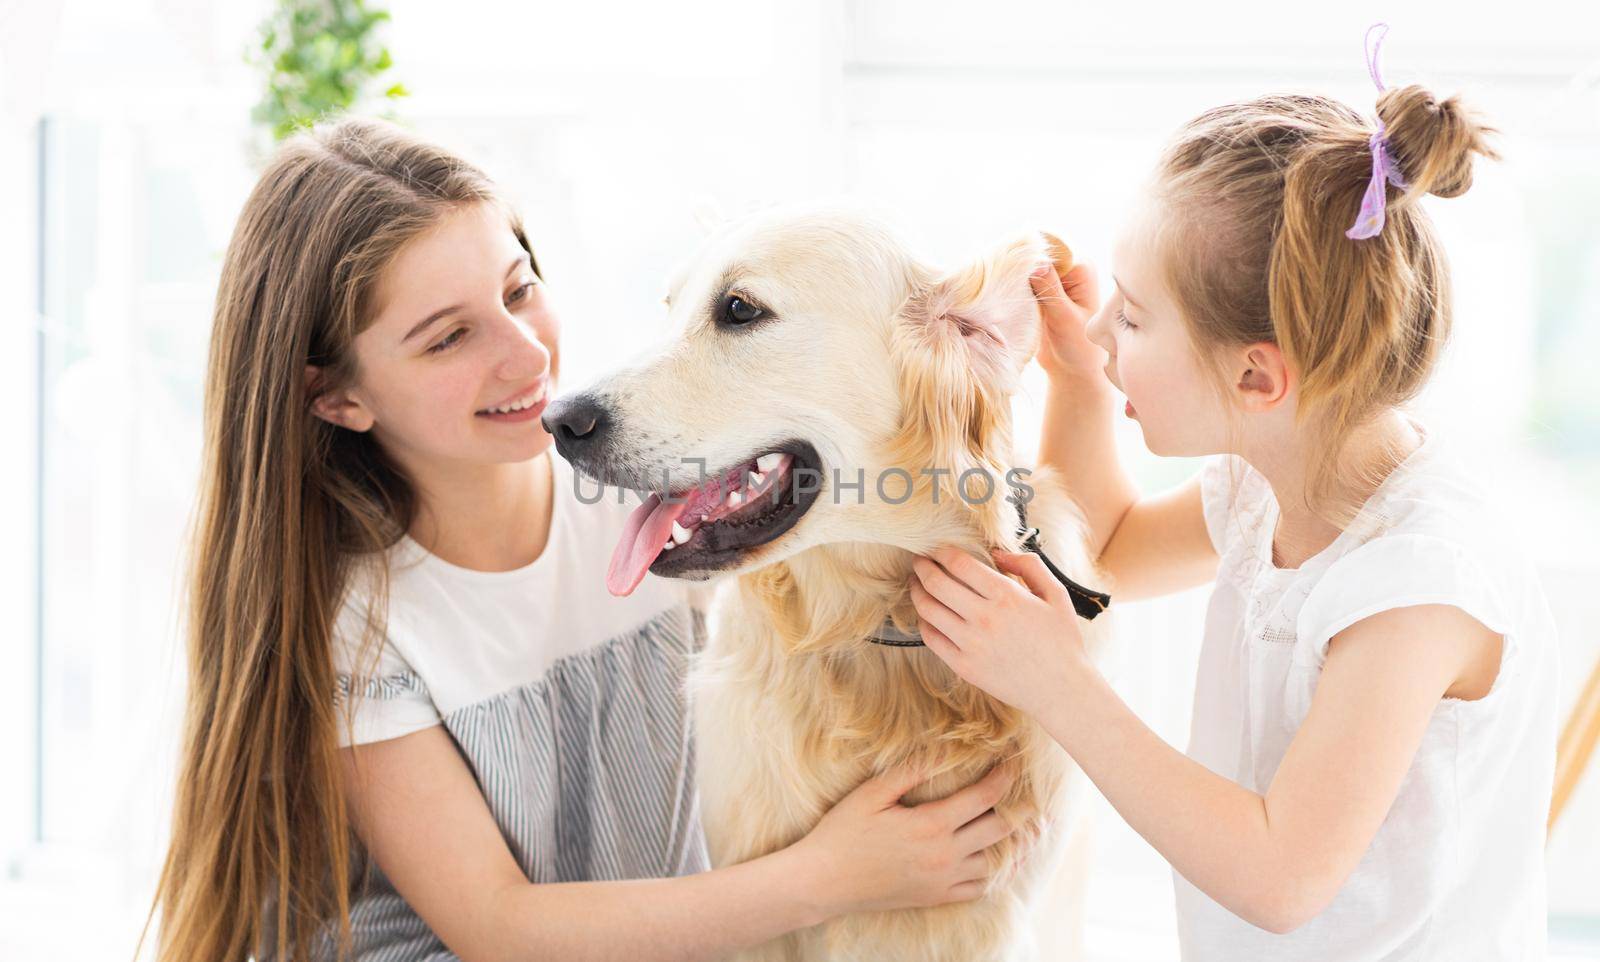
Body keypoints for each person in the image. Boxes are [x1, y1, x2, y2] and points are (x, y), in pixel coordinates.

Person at [148, 117, 1018, 962]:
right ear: (336, 397)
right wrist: (829, 879)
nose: (526, 355)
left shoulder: (656, 490)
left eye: (519, 289)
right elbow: (498, 930)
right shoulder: (363, 620)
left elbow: (928, 496)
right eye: (450, 336)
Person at [908, 44, 1561, 962]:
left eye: (1131, 318)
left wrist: (1057, 682)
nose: (1103, 328)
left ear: (1259, 375)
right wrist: (1083, 383)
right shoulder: (1275, 478)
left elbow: (1280, 876)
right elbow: (1117, 551)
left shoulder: (1416, 587)